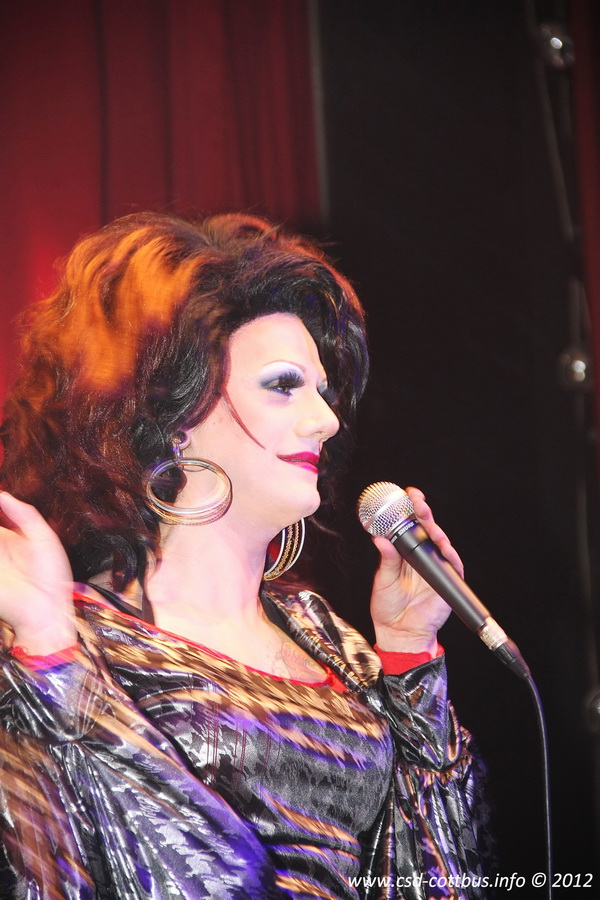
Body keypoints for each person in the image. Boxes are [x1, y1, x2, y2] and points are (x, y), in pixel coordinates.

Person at [0, 213, 489, 899]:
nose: (326, 420)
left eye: (323, 391)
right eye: (284, 385)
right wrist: (55, 666)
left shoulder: (328, 641)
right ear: (173, 414)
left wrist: (409, 656)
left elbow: (441, 877)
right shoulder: (64, 642)